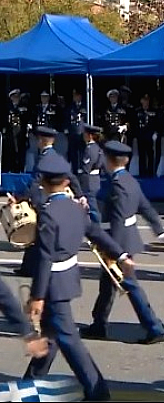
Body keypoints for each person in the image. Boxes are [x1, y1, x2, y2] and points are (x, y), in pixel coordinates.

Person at [22, 152, 131, 401]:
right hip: (68, 278)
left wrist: (37, 296)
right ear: (67, 181)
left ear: (44, 183)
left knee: (71, 343)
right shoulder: (75, 209)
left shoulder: (49, 213)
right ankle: (29, 386)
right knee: (49, 338)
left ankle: (97, 390)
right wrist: (121, 254)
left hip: (54, 286)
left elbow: (45, 258)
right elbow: (96, 233)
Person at [78, 141, 164, 345]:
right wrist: (159, 230)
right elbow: (145, 206)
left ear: (108, 160)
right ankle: (99, 323)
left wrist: (114, 250)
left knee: (130, 286)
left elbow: (117, 221)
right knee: (107, 285)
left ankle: (153, 326)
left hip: (119, 243)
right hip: (126, 240)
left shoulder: (117, 186)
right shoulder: (129, 180)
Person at [11, 126, 85, 277]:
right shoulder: (57, 157)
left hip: (42, 199)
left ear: (42, 141)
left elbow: (34, 184)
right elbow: (71, 177)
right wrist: (80, 195)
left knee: (38, 234)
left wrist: (18, 198)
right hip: (50, 199)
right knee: (38, 235)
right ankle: (28, 267)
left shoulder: (43, 159)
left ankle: (32, 268)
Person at [76, 124, 104, 223]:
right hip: (95, 180)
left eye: (85, 134)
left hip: (89, 182)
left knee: (92, 208)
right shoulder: (98, 148)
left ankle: (97, 230)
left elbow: (86, 168)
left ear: (90, 135)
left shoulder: (90, 149)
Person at [3, 88, 30, 173]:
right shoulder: (7, 108)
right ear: (11, 98)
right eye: (14, 97)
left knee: (21, 153)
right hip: (10, 135)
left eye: (17, 97)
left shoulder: (24, 108)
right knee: (10, 153)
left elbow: (27, 119)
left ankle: (20, 170)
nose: (16, 99)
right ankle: (10, 169)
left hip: (21, 135)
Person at [132, 94, 158, 177]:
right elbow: (134, 124)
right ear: (141, 101)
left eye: (147, 100)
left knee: (150, 155)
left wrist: (156, 133)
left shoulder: (154, 112)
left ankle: (150, 173)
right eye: (144, 100)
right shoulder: (137, 111)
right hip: (141, 136)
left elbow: (157, 124)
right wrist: (135, 135)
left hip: (150, 137)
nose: (146, 102)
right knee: (142, 155)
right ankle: (142, 173)